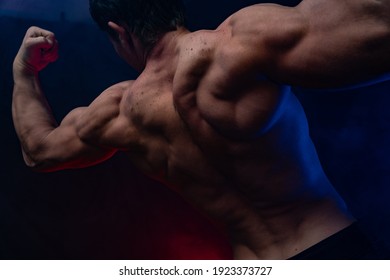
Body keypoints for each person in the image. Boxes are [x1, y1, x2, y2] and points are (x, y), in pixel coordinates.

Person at [12, 0, 389, 259]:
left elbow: (38, 150)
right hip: (333, 247)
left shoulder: (118, 112)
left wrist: (25, 72)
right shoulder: (239, 44)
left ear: (118, 31)